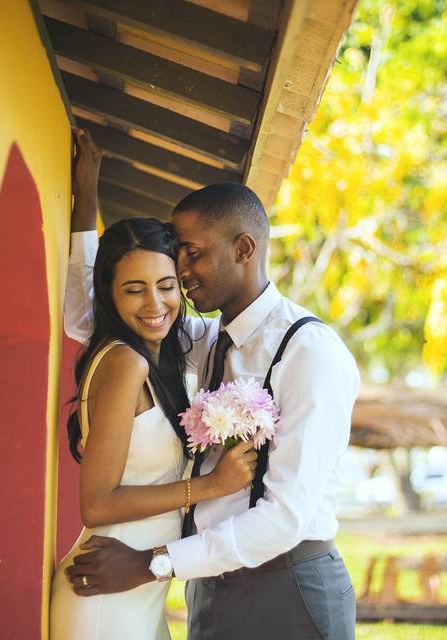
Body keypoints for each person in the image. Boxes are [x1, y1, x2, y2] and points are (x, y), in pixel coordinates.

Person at [62, 134, 360, 640]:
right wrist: (85, 206)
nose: (180, 270)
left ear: (244, 249)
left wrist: (154, 565)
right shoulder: (203, 338)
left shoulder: (309, 352)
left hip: (287, 587)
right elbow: (92, 315)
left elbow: (285, 516)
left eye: (193, 254)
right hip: (208, 588)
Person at [49, 128, 257, 640]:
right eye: (133, 290)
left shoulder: (167, 351)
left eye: (166, 287)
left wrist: (87, 200)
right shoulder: (126, 363)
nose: (154, 304)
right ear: (112, 297)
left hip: (139, 596)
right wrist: (208, 487)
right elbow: (95, 504)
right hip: (104, 598)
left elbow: (79, 304)